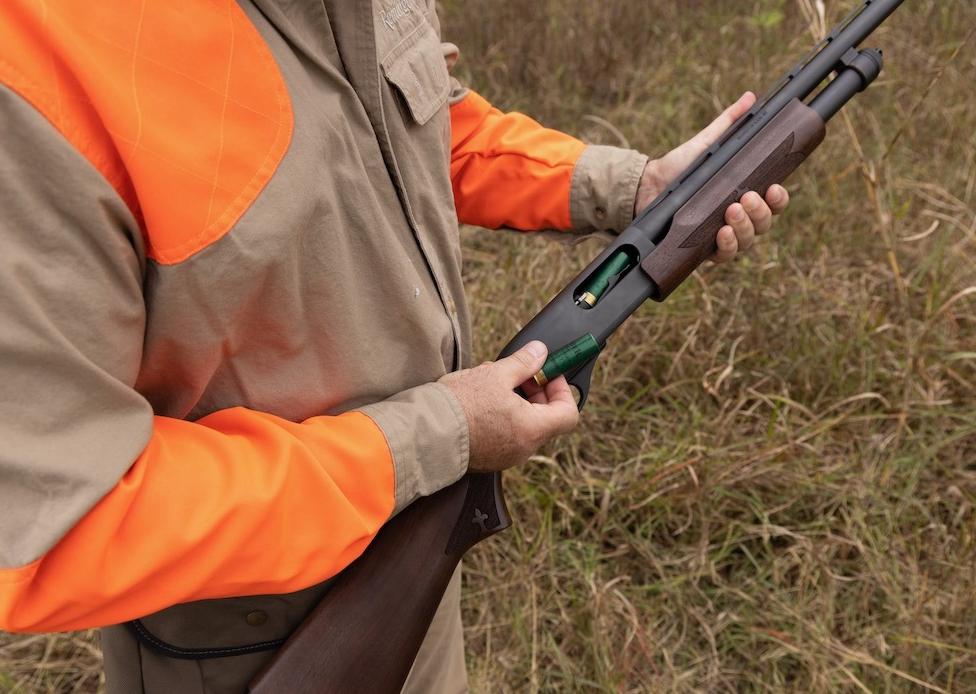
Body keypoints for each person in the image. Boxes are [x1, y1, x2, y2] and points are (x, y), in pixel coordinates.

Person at [0, 1, 788, 692]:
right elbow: (56, 525)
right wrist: (431, 437)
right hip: (245, 641)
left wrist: (629, 188)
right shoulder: (35, 62)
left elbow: (407, 123)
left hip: (415, 546)